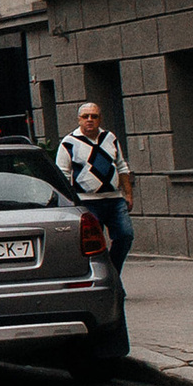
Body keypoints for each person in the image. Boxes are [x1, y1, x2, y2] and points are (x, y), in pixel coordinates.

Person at [55, 99, 135, 273]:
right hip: (87, 202)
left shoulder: (110, 138)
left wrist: (128, 194)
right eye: (85, 116)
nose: (89, 120)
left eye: (94, 116)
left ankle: (113, 273)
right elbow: (63, 175)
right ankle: (101, 276)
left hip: (114, 200)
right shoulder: (69, 143)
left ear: (100, 119)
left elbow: (122, 166)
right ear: (79, 120)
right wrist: (69, 203)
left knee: (125, 235)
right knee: (94, 244)